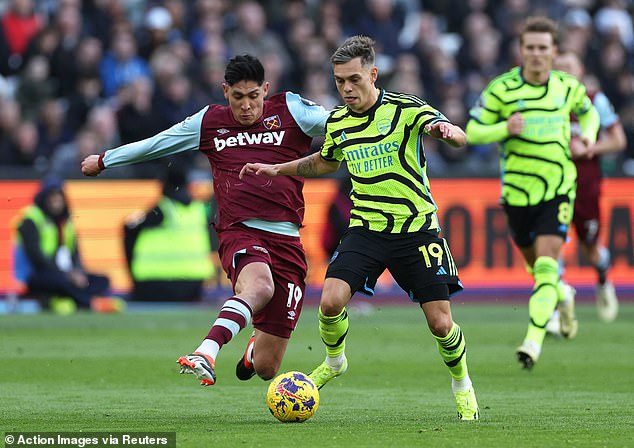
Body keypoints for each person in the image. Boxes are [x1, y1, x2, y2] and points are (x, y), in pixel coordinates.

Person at [241, 35, 480, 421]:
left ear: (373, 73)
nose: (347, 89)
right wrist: (278, 168)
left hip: (417, 230)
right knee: (331, 300)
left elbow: (452, 132)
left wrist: (449, 134)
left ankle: (461, 383)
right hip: (366, 228)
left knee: (440, 323)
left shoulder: (407, 109)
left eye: (354, 79)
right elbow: (324, 161)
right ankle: (335, 362)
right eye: (339, 81)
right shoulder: (338, 120)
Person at [81, 54, 329, 385]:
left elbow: (344, 126)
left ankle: (254, 347)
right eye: (237, 97)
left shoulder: (292, 111)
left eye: (253, 97)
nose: (245, 106)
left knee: (267, 367)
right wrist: (105, 159)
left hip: (288, 240)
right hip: (240, 231)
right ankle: (206, 351)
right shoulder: (209, 122)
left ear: (265, 90)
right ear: (225, 91)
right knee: (260, 285)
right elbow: (159, 143)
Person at [465, 17, 600, 369]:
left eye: (544, 48)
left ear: (555, 52)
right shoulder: (501, 89)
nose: (537, 54)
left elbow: (590, 115)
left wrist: (587, 136)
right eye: (531, 48)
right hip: (516, 195)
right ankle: (564, 293)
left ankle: (533, 342)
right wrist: (503, 127)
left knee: (544, 267)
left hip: (557, 190)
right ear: (521, 51)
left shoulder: (568, 86)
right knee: (540, 272)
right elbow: (472, 132)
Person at [553, 51, 626, 323]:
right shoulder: (545, 102)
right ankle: (557, 307)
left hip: (586, 186)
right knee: (552, 244)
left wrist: (590, 148)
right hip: (553, 184)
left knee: (590, 248)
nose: (563, 72)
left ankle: (604, 279)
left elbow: (618, 141)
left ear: (580, 71)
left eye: (568, 67)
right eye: (558, 68)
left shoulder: (595, 101)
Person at [12, 176, 118, 314]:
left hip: (64, 272)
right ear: (44, 198)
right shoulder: (31, 219)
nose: (56, 202)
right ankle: (90, 304)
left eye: (58, 198)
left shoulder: (66, 222)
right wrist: (68, 275)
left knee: (102, 280)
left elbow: (74, 253)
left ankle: (62, 299)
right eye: (52, 198)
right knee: (61, 281)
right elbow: (36, 257)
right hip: (36, 274)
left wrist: (78, 273)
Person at [123, 162, 215, 301]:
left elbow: (129, 227)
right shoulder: (199, 209)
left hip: (155, 284)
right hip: (194, 285)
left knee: (129, 235)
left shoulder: (162, 209)